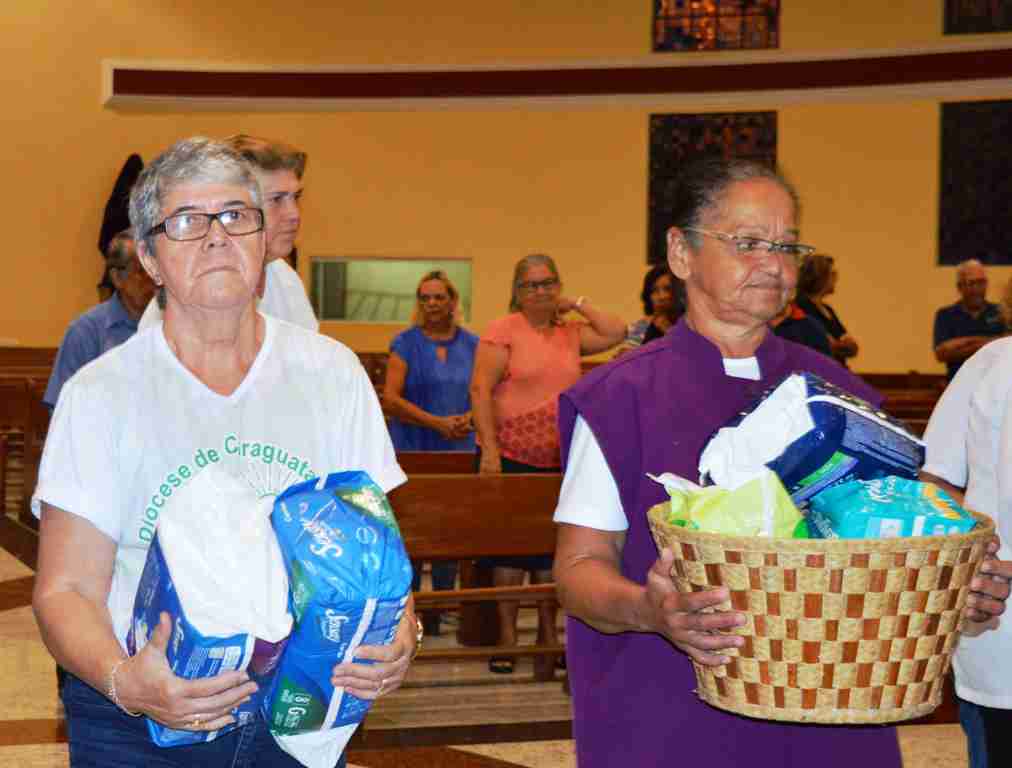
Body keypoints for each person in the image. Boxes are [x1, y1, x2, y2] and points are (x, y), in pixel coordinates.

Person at [551, 157, 1011, 768]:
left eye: (787, 245)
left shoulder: (842, 395)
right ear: (681, 254)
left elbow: (889, 552)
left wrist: (952, 593)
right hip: (671, 710)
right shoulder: (619, 397)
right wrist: (648, 609)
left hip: (837, 712)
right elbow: (579, 568)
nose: (772, 262)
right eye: (746, 243)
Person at [31, 138, 419, 768]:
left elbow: (378, 543)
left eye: (237, 216)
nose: (217, 236)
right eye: (187, 221)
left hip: (300, 703)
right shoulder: (101, 395)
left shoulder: (331, 373)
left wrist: (402, 629)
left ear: (264, 240)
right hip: (142, 713)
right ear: (151, 258)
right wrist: (125, 682)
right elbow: (65, 588)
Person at [470, 253, 625, 674]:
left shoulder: (570, 333)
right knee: (507, 553)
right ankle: (507, 637)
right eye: (531, 285)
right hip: (510, 456)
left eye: (547, 283)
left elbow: (618, 330)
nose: (540, 291)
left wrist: (575, 302)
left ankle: (546, 635)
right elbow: (481, 389)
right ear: (516, 291)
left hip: (560, 460)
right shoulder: (503, 331)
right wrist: (488, 451)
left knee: (549, 551)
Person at [139, 134, 318, 333]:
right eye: (277, 199)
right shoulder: (185, 292)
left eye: (296, 197)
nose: (294, 214)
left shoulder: (286, 281)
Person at [383, 270, 478, 635]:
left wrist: (468, 419)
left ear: (453, 302)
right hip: (414, 449)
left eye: (439, 297)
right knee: (413, 534)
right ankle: (412, 613)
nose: (432, 304)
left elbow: (485, 391)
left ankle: (440, 608)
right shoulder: (405, 343)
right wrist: (437, 423)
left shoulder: (474, 344)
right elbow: (391, 398)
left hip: (459, 448)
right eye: (425, 297)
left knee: (449, 531)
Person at [44, 230, 155, 410]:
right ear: (117, 277)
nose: (151, 279)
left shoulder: (168, 326)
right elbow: (62, 408)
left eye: (154, 268)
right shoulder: (85, 332)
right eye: (141, 271)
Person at [934, 259, 1006, 380]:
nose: (977, 288)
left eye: (981, 282)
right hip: (958, 385)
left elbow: (1007, 346)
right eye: (971, 283)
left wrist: (961, 343)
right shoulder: (945, 315)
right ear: (959, 287)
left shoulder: (1001, 312)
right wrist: (990, 342)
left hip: (994, 384)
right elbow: (942, 354)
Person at [795, 253, 859, 366]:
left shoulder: (827, 309)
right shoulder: (800, 307)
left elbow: (847, 342)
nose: (836, 278)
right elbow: (821, 345)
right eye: (832, 274)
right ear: (820, 277)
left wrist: (843, 345)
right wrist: (838, 345)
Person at [619, 264, 685, 352]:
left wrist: (667, 330)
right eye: (654, 291)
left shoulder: (693, 325)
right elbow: (629, 358)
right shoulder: (641, 326)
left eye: (667, 289)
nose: (661, 296)